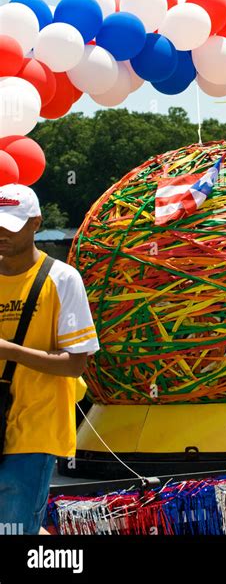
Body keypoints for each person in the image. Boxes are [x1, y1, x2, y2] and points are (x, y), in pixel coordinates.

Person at [0, 184, 99, 535]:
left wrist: (10, 351)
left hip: (35, 431)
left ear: (36, 223)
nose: (2, 235)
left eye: (10, 226)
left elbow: (76, 363)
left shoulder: (62, 278)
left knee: (12, 529)